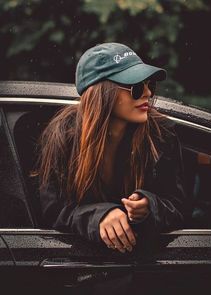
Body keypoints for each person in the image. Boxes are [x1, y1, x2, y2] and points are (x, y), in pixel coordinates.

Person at [38, 42, 189, 258]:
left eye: (149, 85)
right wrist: (98, 216)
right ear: (103, 94)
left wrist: (149, 206)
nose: (147, 93)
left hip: (148, 265)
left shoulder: (160, 135)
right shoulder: (64, 135)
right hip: (81, 266)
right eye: (136, 88)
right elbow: (52, 211)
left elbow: (180, 207)